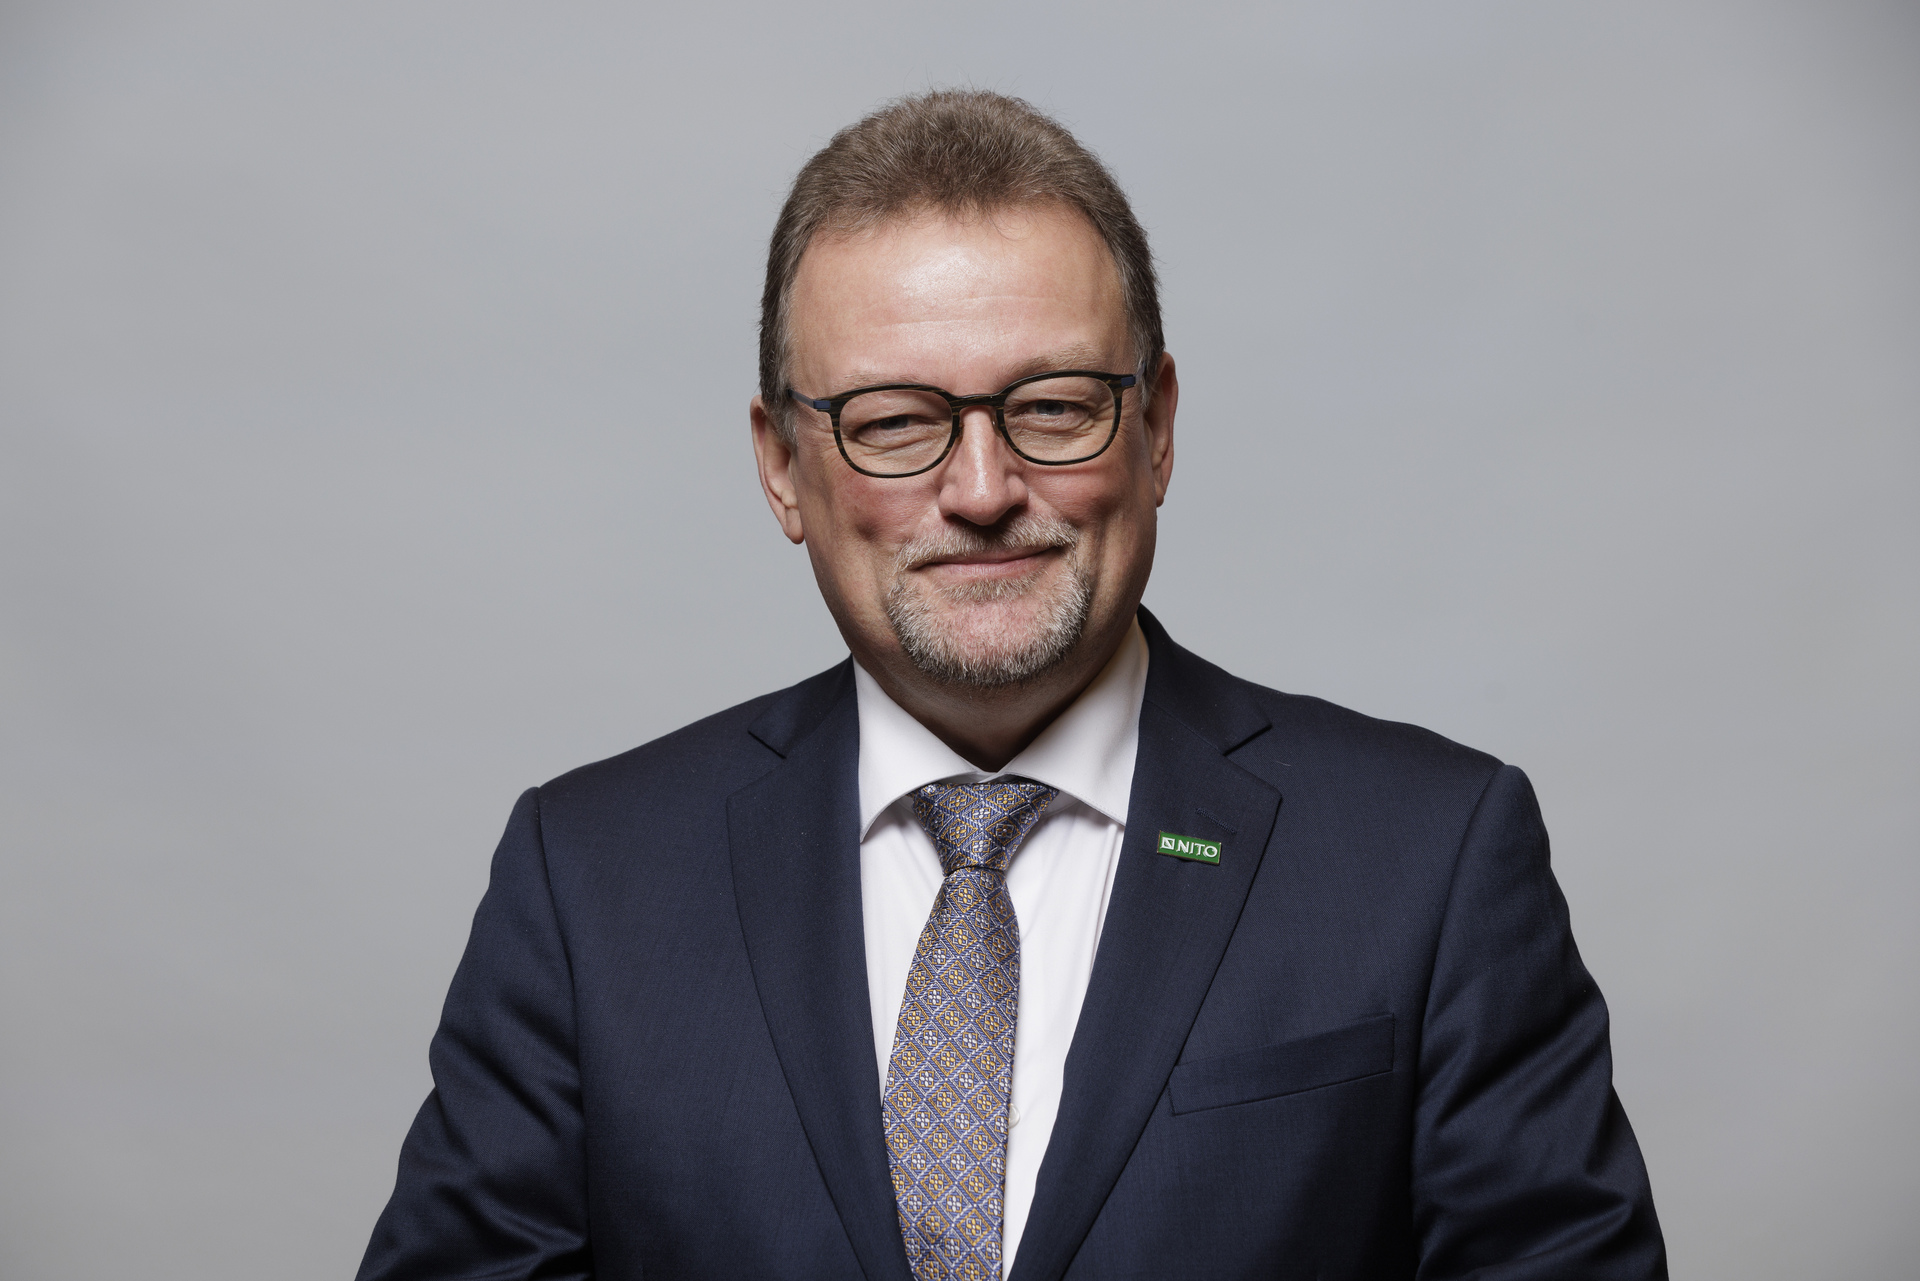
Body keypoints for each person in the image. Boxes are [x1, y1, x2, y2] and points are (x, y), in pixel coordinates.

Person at [357, 90, 1665, 1281]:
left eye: (1051, 406)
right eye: (893, 421)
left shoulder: (1427, 859)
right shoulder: (590, 884)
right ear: (781, 468)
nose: (982, 491)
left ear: (1157, 429)